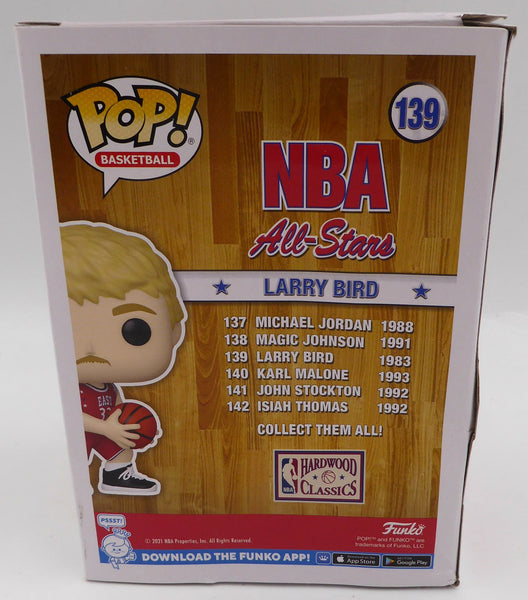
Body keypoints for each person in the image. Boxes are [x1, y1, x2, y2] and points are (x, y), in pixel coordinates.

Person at [60, 222, 185, 495]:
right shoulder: (63, 388)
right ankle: (70, 483)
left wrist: (134, 425)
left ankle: (117, 474)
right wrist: (106, 427)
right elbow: (68, 415)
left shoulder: (108, 386)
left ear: (174, 332)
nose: (90, 347)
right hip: (82, 432)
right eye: (63, 329)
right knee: (70, 455)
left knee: (121, 448)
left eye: (135, 330)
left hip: (108, 429)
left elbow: (118, 405)